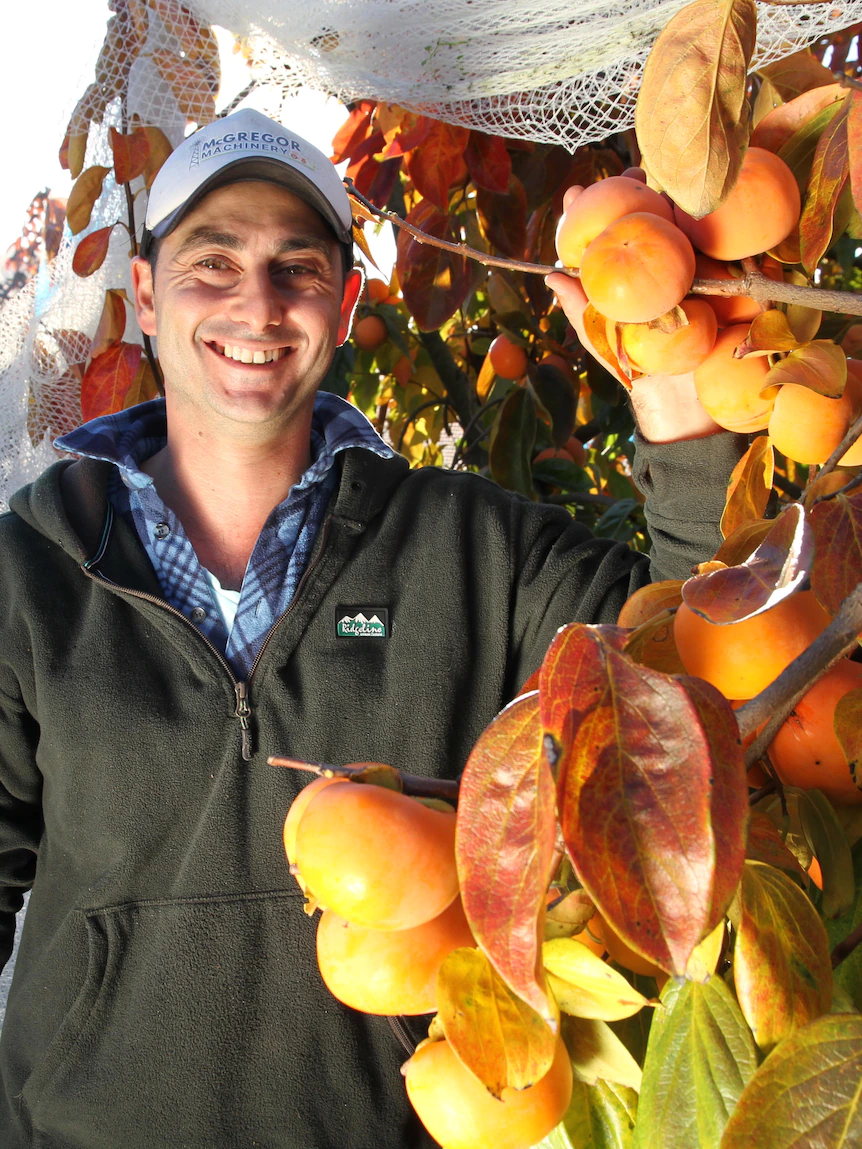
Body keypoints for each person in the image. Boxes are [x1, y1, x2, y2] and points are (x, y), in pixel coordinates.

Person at [0, 108, 746, 1148]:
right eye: (213, 261)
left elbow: (704, 675)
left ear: (346, 302)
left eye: (296, 267)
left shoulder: (471, 550)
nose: (256, 303)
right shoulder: (32, 570)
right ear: (145, 292)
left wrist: (676, 400)